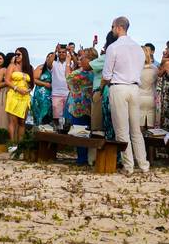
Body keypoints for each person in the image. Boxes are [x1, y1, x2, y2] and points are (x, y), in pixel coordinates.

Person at [101, 16, 150, 174]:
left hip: (119, 87)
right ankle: (143, 165)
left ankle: (128, 166)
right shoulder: (138, 48)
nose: (112, 29)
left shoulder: (113, 47)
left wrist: (102, 88)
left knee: (122, 129)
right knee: (136, 130)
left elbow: (107, 75)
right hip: (135, 88)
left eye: (113, 26)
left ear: (118, 27)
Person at [66, 49, 97, 165]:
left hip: (79, 106)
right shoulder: (96, 72)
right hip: (91, 106)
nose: (79, 60)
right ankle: (90, 159)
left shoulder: (81, 73)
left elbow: (68, 78)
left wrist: (68, 63)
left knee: (80, 132)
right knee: (91, 132)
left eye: (82, 58)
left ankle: (82, 159)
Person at [5, 47, 35, 143]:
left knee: (22, 122)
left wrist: (28, 90)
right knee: (13, 121)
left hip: (25, 97)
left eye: (18, 54)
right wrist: (16, 88)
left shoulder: (29, 68)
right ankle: (12, 144)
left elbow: (32, 83)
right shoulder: (12, 66)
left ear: (24, 55)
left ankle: (20, 144)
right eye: (15, 54)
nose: (16, 56)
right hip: (14, 94)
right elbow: (6, 80)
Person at [31, 52, 54, 126]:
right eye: (48, 57)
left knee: (50, 114)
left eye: (52, 57)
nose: (49, 58)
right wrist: (44, 84)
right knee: (41, 113)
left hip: (52, 94)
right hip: (40, 94)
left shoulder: (56, 69)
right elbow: (34, 79)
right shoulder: (41, 67)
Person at [51, 45, 72, 123]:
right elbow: (48, 63)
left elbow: (77, 63)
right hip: (56, 93)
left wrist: (70, 52)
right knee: (56, 117)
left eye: (63, 52)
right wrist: (55, 50)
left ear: (66, 53)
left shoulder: (70, 63)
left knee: (68, 118)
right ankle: (57, 133)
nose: (61, 53)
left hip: (68, 93)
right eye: (60, 52)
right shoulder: (54, 63)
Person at [138, 46, 158, 129]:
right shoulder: (155, 68)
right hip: (151, 97)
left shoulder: (136, 68)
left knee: (139, 128)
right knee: (151, 126)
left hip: (139, 97)